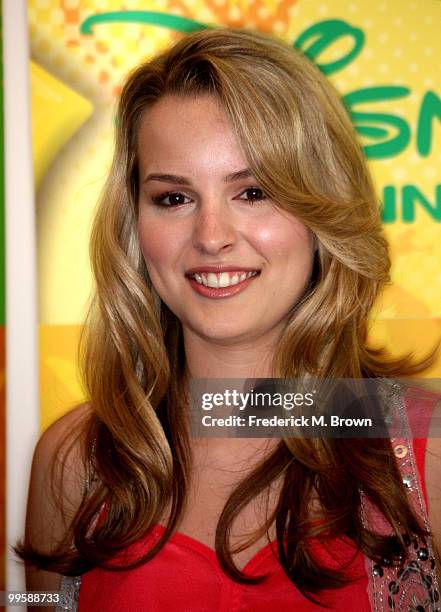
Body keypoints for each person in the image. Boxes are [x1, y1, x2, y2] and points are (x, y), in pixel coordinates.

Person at [18, 27, 441, 611]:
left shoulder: (423, 452)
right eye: (174, 198)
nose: (212, 237)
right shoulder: (76, 461)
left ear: (323, 208)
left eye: (254, 192)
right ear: (134, 225)